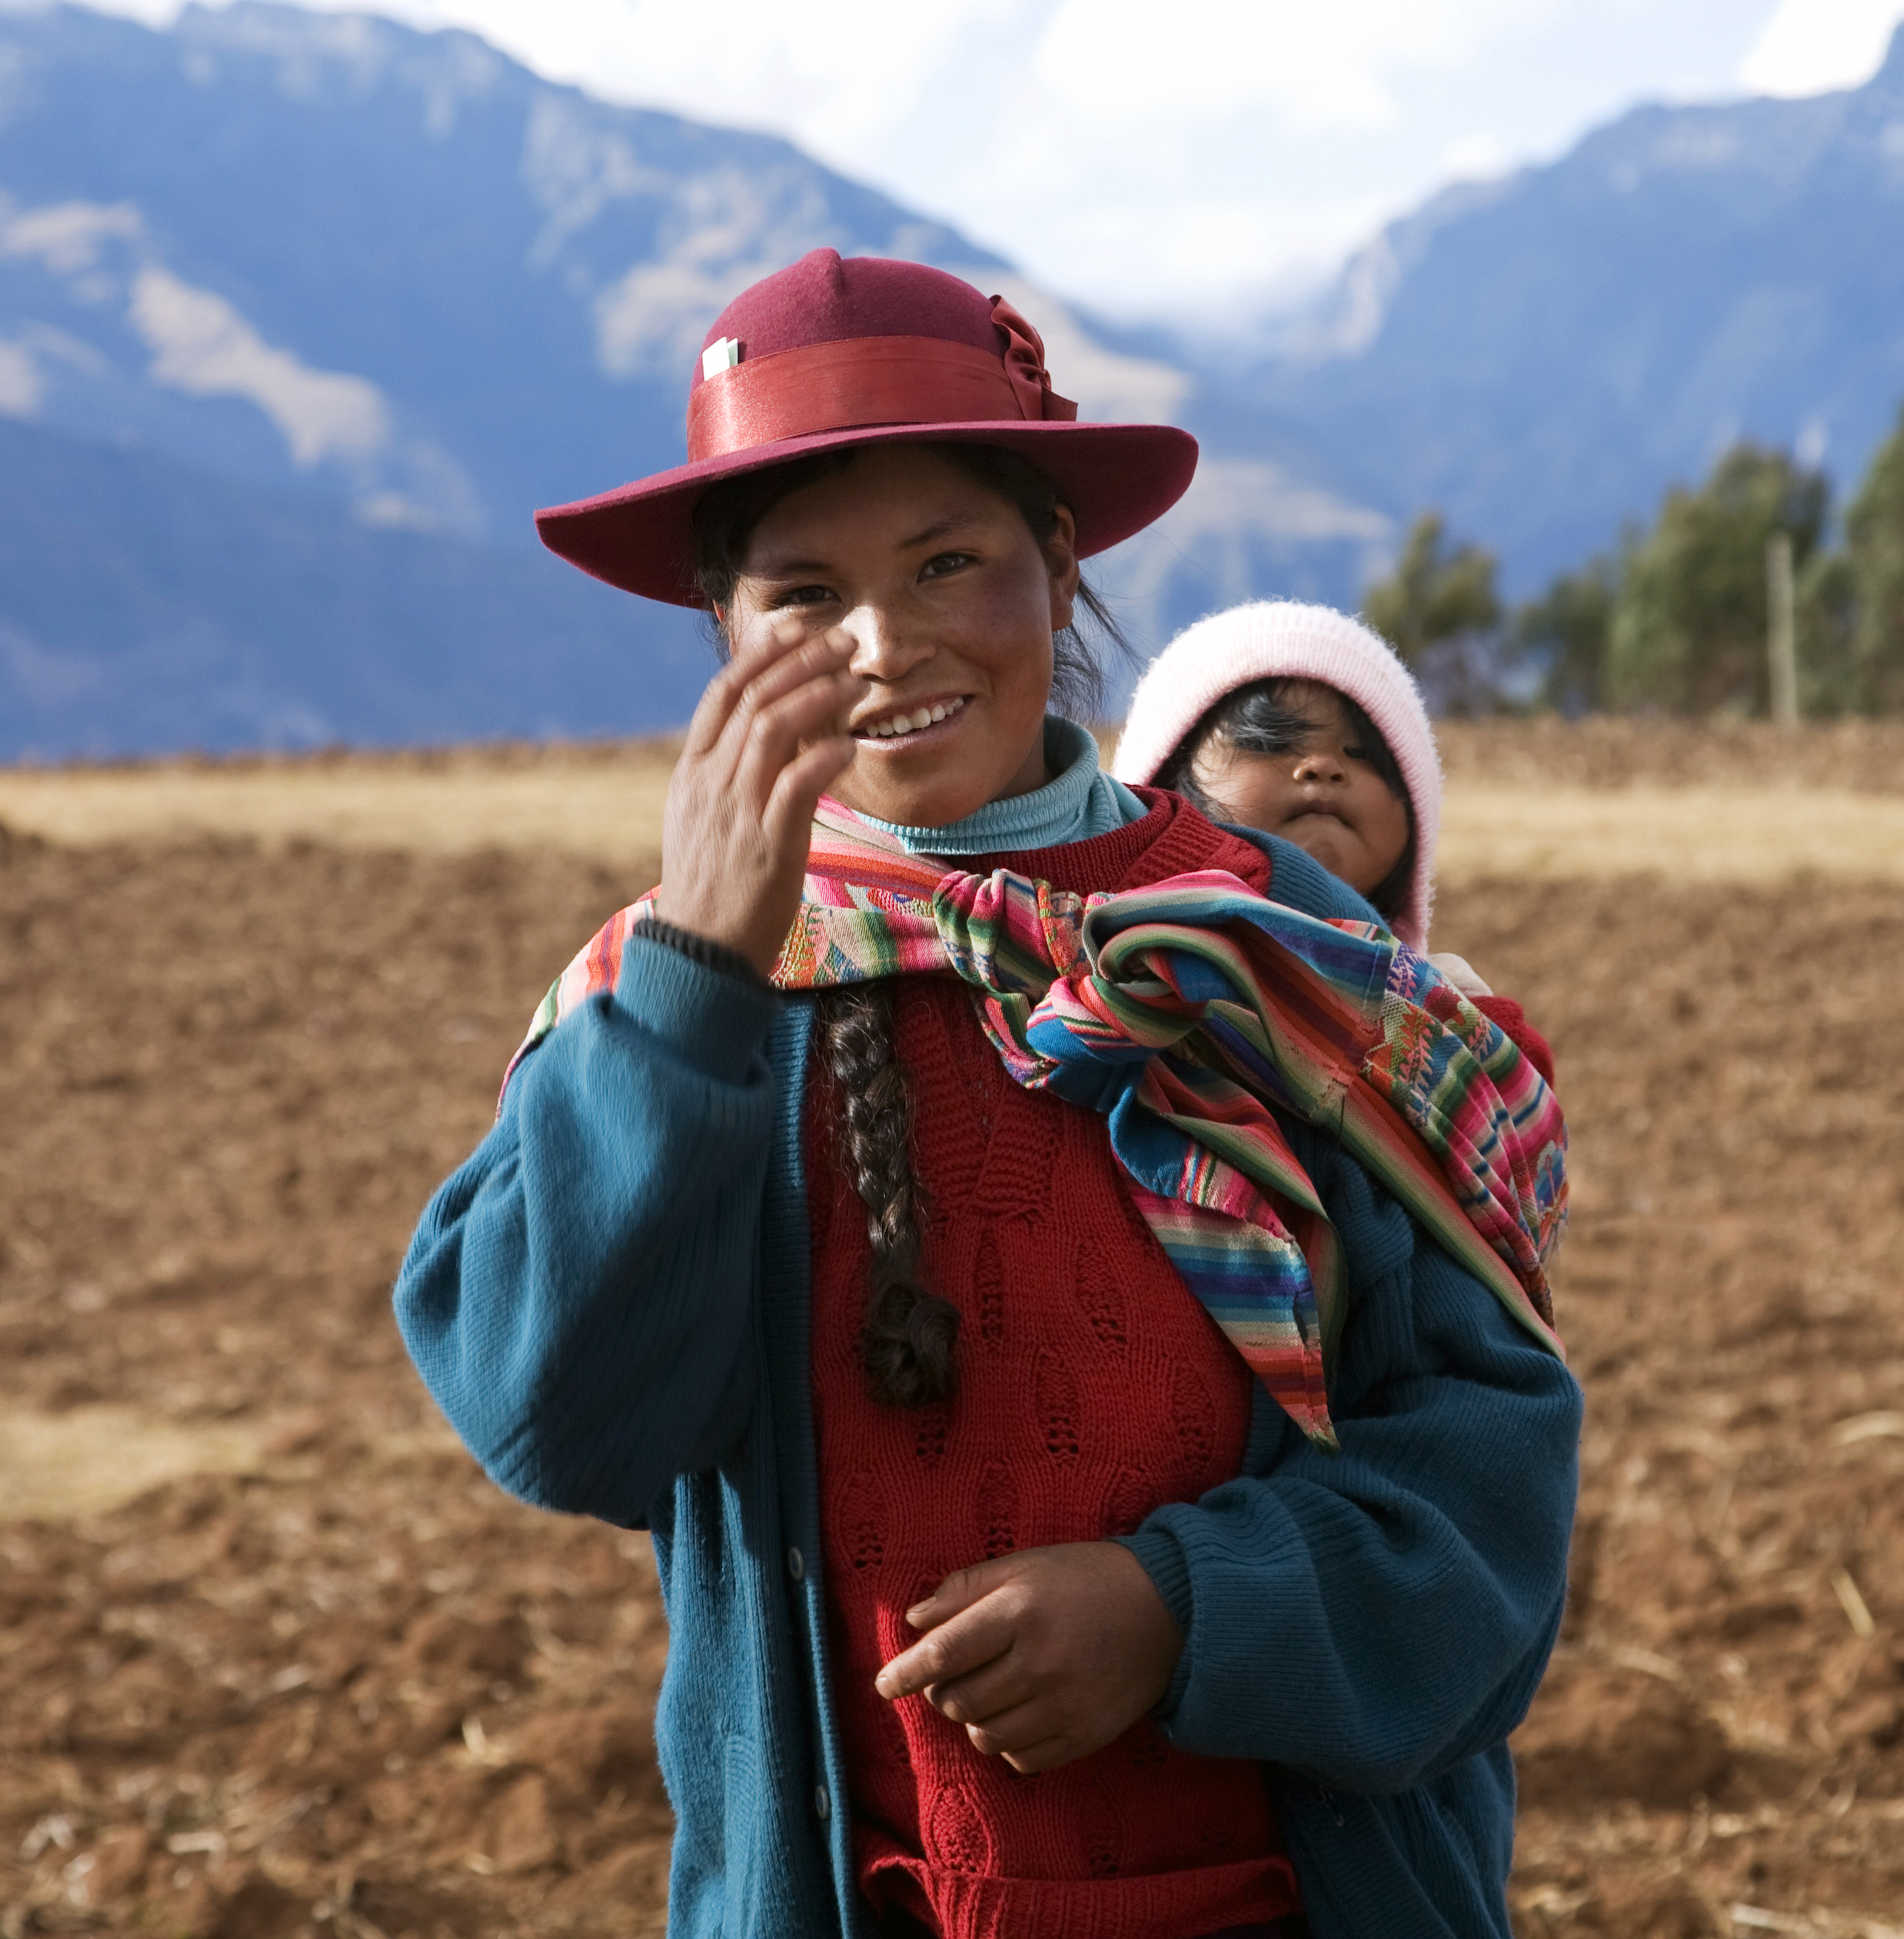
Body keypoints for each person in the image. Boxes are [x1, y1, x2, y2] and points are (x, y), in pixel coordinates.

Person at [394, 250, 1580, 1939]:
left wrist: (1182, 1613)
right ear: (719, 638)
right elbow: (558, 1416)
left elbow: (1486, 1483)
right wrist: (696, 987)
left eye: (950, 561)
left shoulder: (1282, 955)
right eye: (801, 597)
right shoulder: (663, 1003)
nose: (886, 645)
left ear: (1057, 562)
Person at [1113, 600, 1556, 1083]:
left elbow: (1521, 1123)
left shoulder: (1453, 1005)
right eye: (1271, 742)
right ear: (1162, 785)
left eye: (1361, 752)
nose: (1322, 766)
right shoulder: (1117, 983)